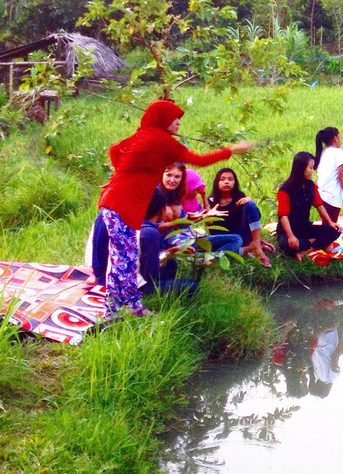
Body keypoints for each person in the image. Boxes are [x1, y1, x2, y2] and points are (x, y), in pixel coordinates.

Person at [95, 99, 252, 319]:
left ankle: (130, 303)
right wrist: (231, 150)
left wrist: (123, 174)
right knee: (123, 257)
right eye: (174, 118)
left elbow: (115, 151)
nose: (178, 123)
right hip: (120, 203)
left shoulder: (142, 135)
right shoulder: (162, 140)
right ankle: (114, 310)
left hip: (120, 202)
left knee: (127, 256)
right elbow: (199, 160)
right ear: (163, 120)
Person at [151, 162, 243, 256]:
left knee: (236, 239)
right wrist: (184, 221)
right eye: (169, 175)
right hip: (170, 243)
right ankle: (204, 259)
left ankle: (208, 260)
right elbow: (151, 227)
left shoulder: (175, 194)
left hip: (189, 238)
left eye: (177, 177)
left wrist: (204, 216)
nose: (172, 180)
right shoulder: (155, 195)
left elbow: (184, 225)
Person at [277, 151, 341, 260]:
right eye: (310, 168)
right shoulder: (285, 189)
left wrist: (330, 223)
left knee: (334, 231)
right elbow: (283, 215)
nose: (312, 171)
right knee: (286, 244)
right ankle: (314, 243)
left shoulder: (310, 186)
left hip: (304, 227)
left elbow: (319, 206)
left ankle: (307, 250)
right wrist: (291, 236)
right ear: (301, 168)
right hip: (289, 231)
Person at [207, 167, 272, 267]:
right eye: (222, 179)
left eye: (230, 179)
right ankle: (250, 248)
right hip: (226, 240)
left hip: (241, 234)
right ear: (217, 182)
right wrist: (209, 214)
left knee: (250, 204)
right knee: (223, 252)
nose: (226, 182)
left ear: (235, 182)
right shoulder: (210, 201)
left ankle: (257, 247)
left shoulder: (239, 197)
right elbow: (208, 225)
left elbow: (255, 215)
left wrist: (249, 201)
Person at [314, 126, 343, 225]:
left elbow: (318, 177)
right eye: (340, 137)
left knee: (326, 226)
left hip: (321, 196)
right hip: (331, 197)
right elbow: (340, 176)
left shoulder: (323, 154)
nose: (341, 140)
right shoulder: (338, 153)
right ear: (335, 138)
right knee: (329, 231)